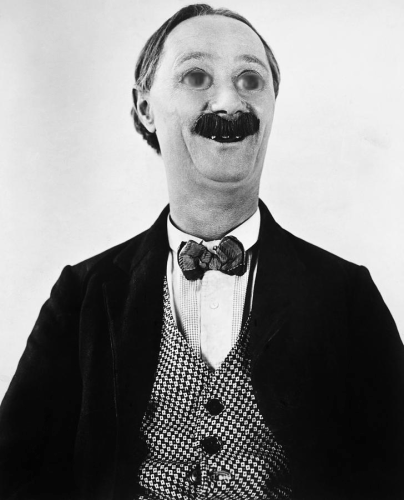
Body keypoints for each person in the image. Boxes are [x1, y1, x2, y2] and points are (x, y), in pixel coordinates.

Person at [0, 4, 403, 500]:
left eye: (250, 80)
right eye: (196, 77)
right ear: (145, 108)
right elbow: (14, 474)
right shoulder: (82, 295)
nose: (230, 102)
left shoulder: (346, 295)